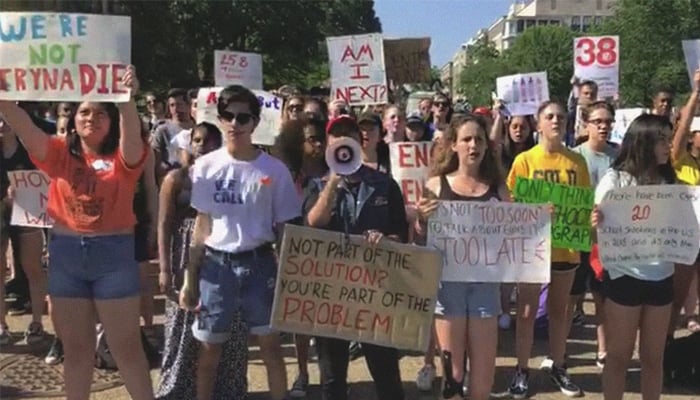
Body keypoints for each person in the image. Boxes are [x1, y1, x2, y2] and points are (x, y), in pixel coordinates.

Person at [0, 66, 154, 400]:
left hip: (114, 257)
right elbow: (22, 126)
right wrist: (5, 97)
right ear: (73, 120)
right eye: (84, 111)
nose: (91, 118)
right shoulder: (57, 154)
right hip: (67, 258)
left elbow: (131, 132)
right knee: (77, 351)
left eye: (101, 113)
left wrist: (127, 100)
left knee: (126, 349)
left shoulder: (123, 158)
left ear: (111, 122)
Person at [179, 84, 300, 400]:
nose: (235, 124)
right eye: (227, 116)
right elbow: (201, 225)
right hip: (216, 267)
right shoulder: (206, 167)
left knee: (272, 348)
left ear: (255, 123)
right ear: (219, 119)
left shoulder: (274, 170)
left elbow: (285, 228)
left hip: (261, 264)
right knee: (208, 350)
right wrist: (190, 280)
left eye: (243, 117)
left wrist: (290, 277)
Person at [303, 115, 408, 400]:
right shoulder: (317, 185)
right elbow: (313, 224)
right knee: (332, 378)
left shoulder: (385, 185)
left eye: (348, 133)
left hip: (375, 290)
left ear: (358, 140)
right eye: (336, 135)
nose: (342, 139)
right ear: (328, 142)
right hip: (331, 292)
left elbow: (402, 236)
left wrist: (385, 241)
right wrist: (334, 181)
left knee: (386, 374)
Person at [416, 115, 508, 400]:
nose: (473, 145)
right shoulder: (435, 185)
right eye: (466, 139)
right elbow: (421, 239)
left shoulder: (499, 189)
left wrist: (541, 220)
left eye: (479, 139)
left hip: (485, 287)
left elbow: (516, 234)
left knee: (484, 377)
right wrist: (421, 219)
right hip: (448, 288)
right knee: (453, 377)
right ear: (453, 145)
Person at [155, 122, 248, 400]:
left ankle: (227, 390)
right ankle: (177, 390)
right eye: (197, 140)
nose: (202, 145)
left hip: (223, 256)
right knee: (182, 327)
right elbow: (163, 225)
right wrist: (164, 269)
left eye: (208, 141)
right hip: (184, 255)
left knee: (228, 323)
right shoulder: (176, 179)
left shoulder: (231, 175)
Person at [506, 100, 590, 398]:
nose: (556, 121)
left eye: (561, 117)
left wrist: (589, 216)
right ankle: (521, 369)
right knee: (527, 313)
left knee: (559, 311)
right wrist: (538, 208)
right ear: (538, 124)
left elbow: (583, 202)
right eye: (550, 116)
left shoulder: (577, 162)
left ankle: (558, 365)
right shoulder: (525, 161)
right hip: (533, 248)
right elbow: (511, 204)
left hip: (566, 247)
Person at [592, 114, 678, 400]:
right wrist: (595, 222)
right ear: (644, 142)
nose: (669, 146)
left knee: (653, 359)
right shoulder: (614, 181)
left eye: (670, 138)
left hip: (662, 277)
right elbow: (595, 236)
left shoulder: (669, 182)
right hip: (624, 277)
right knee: (618, 357)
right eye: (662, 139)